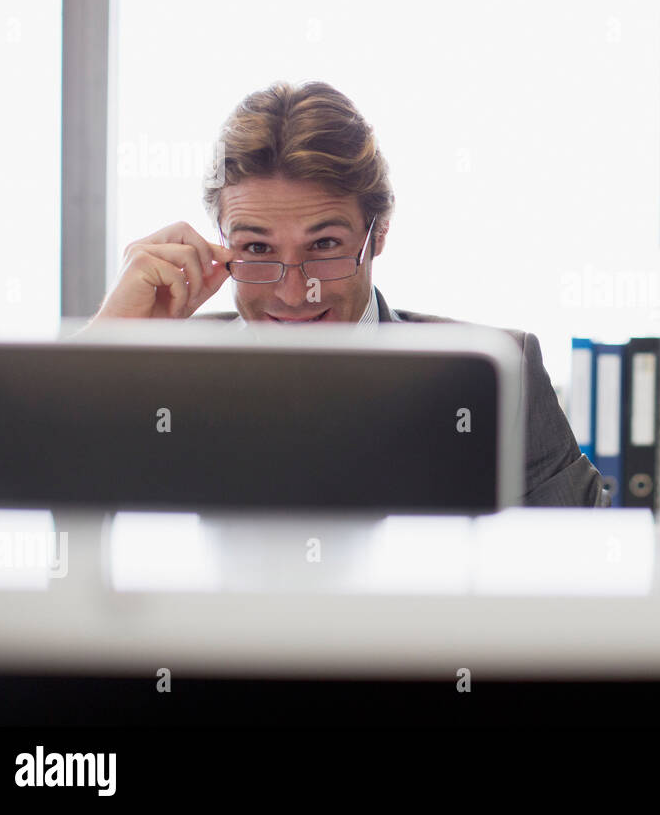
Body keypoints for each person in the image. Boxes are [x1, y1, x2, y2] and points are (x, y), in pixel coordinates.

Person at [91, 80, 606, 508]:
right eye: (258, 248)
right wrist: (103, 352)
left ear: (377, 234)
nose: (294, 292)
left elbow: (585, 568)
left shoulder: (495, 372)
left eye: (324, 245)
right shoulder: (156, 377)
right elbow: (58, 528)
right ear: (220, 243)